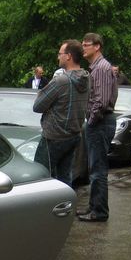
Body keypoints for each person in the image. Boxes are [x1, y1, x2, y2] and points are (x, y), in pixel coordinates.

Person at [32, 40, 89, 188]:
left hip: (54, 137)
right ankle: (65, 209)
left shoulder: (61, 81)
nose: (58, 57)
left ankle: (41, 210)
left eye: (60, 54)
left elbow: (37, 106)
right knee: (65, 177)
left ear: (68, 56)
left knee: (39, 176)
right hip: (73, 135)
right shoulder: (87, 79)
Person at [78, 32, 118, 223]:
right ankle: (94, 206)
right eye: (82, 44)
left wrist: (91, 121)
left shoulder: (101, 68)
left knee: (98, 169)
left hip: (101, 122)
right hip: (101, 122)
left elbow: (100, 102)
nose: (83, 47)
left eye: (86, 45)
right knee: (95, 167)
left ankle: (99, 211)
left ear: (97, 47)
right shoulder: (99, 67)